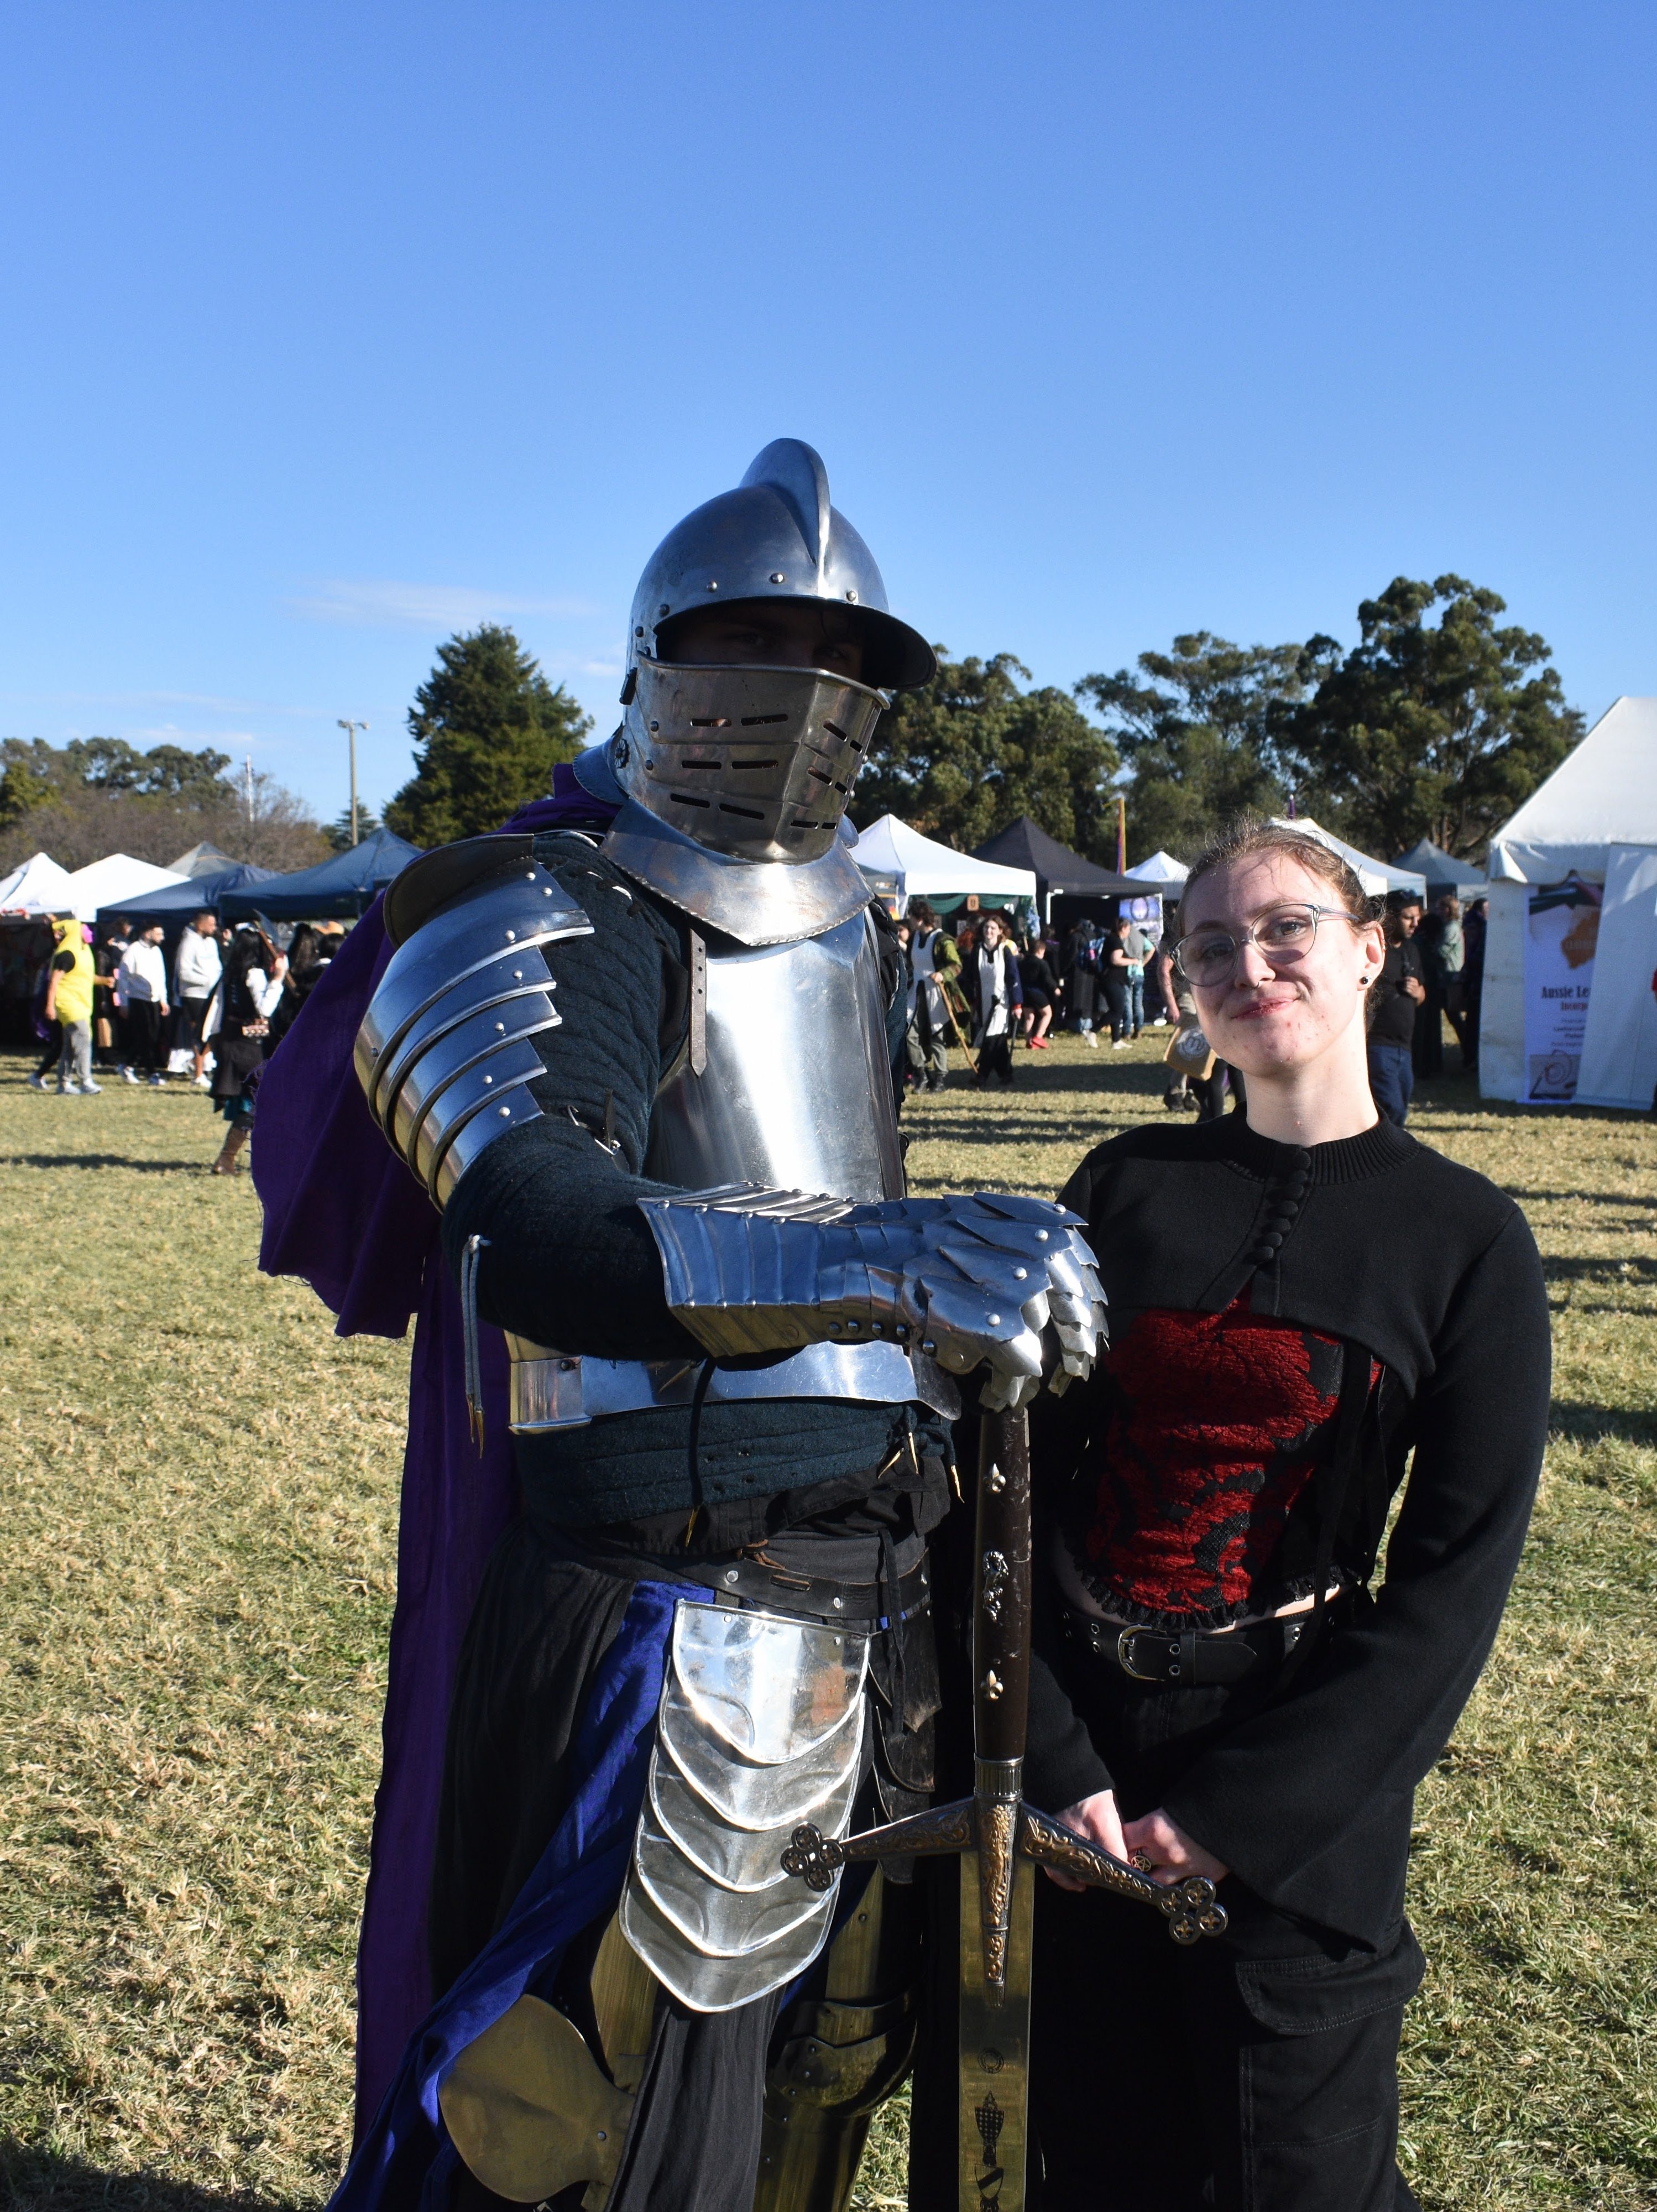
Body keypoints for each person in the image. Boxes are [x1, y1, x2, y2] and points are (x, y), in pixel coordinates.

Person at [249, 439, 1103, 2212]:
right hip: (679, 1614)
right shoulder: (533, 900)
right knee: (584, 2112)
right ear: (654, 660)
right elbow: (539, 1214)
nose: (804, 698)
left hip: (888, 1597)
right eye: (751, 642)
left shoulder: (856, 928)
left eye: (848, 661)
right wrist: (884, 1254)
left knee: (830, 2078)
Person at [1016, 817, 1549, 2210]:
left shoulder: (1468, 1240)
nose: (1247, 963)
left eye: (1285, 930)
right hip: (1081, 1781)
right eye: (1209, 944)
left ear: (1372, 947)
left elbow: (1449, 1590)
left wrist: (1242, 1819)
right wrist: (1052, 1755)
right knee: (1101, 2169)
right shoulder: (1121, 1186)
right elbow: (1012, 1488)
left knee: (1296, 2175)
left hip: (1296, 1784)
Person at [203, 924, 288, 1173]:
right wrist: (279, 979)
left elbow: (217, 1013)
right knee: (258, 1102)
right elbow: (264, 1009)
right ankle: (227, 1158)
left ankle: (229, 1158)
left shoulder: (229, 976)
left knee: (252, 1103)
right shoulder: (254, 974)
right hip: (248, 1048)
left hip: (231, 1044)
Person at [1367, 892, 1425, 1125]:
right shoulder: (1373, 951)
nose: (1415, 924)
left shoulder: (1412, 951)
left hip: (1404, 1046)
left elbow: (1422, 996)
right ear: (1390, 917)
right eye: (1408, 918)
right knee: (1392, 1108)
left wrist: (1418, 992)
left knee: (1401, 1105)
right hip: (1377, 1043)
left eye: (1418, 917)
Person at [37, 918, 100, 1094]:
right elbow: (54, 981)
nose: (88, 932)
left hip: (81, 1004)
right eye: (84, 929)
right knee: (83, 1041)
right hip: (69, 1005)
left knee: (69, 1046)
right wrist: (50, 1006)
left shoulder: (83, 952)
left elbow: (87, 977)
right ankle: (86, 1081)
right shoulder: (67, 954)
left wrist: (106, 980)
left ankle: (64, 1084)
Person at [906, 898, 955, 1091]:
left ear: (919, 918)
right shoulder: (914, 938)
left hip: (936, 992)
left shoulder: (942, 940)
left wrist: (943, 974)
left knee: (937, 1035)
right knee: (910, 1033)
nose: (909, 921)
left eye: (911, 917)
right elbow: (912, 964)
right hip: (916, 991)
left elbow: (956, 965)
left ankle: (940, 1077)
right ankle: (921, 1074)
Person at [971, 909, 1023, 1084]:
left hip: (1002, 1003)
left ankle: (982, 1075)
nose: (989, 931)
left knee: (991, 1036)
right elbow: (972, 978)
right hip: (984, 1002)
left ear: (1000, 931)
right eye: (987, 927)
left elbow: (1013, 977)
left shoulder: (1005, 951)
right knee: (998, 1039)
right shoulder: (977, 950)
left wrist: (1017, 1004)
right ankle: (1006, 1073)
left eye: (993, 928)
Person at [116, 922, 171, 1084]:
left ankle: (126, 1065)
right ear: (148, 933)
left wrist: (163, 999)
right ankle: (152, 1073)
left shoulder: (157, 951)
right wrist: (123, 1002)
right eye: (158, 934)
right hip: (138, 998)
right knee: (145, 1035)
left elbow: (161, 976)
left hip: (154, 998)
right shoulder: (133, 950)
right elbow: (124, 977)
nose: (162, 938)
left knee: (152, 1036)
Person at [175, 909, 223, 1084]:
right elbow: (183, 972)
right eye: (211, 924)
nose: (214, 927)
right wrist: (206, 981)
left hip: (212, 994)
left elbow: (218, 966)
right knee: (199, 1033)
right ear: (200, 924)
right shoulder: (188, 943)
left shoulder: (212, 943)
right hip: (194, 994)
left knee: (213, 1031)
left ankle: (197, 1063)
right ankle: (198, 1074)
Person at [1429, 893, 1472, 1070]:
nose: (1437, 911)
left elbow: (1441, 951)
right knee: (1452, 1017)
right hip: (1448, 976)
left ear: (1447, 909)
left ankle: (1469, 1052)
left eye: (1440, 907)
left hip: (1451, 976)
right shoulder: (1449, 926)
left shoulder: (1452, 927)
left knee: (1454, 1016)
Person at [1063, 915, 1102, 1045]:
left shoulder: (1076, 937)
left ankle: (1076, 1025)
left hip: (1077, 973)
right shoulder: (1094, 937)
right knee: (1088, 1000)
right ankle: (1087, 1024)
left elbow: (1072, 955)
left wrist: (1064, 970)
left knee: (1075, 999)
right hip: (1090, 973)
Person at [1017, 932, 1059, 1049]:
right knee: (1048, 1013)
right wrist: (1055, 988)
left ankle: (1029, 1041)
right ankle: (1038, 1037)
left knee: (1029, 1017)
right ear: (1041, 951)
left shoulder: (1022, 963)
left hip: (1024, 992)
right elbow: (1047, 979)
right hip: (1037, 992)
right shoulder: (1042, 963)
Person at [1099, 914, 1133, 1046]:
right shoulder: (1116, 941)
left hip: (1114, 980)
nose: (1129, 931)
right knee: (1116, 1011)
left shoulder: (1111, 939)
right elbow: (1116, 959)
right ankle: (1092, 1030)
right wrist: (1133, 961)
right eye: (1129, 928)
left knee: (1116, 1010)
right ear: (1123, 928)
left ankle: (1116, 1040)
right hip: (1113, 980)